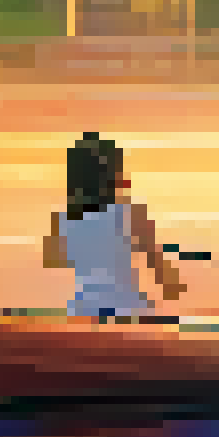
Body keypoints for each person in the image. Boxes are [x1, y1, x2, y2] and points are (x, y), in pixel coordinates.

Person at [44, 133, 184, 319]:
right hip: (129, 310)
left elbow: (53, 259)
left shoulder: (64, 219)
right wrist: (173, 287)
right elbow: (156, 261)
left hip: (85, 311)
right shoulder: (129, 212)